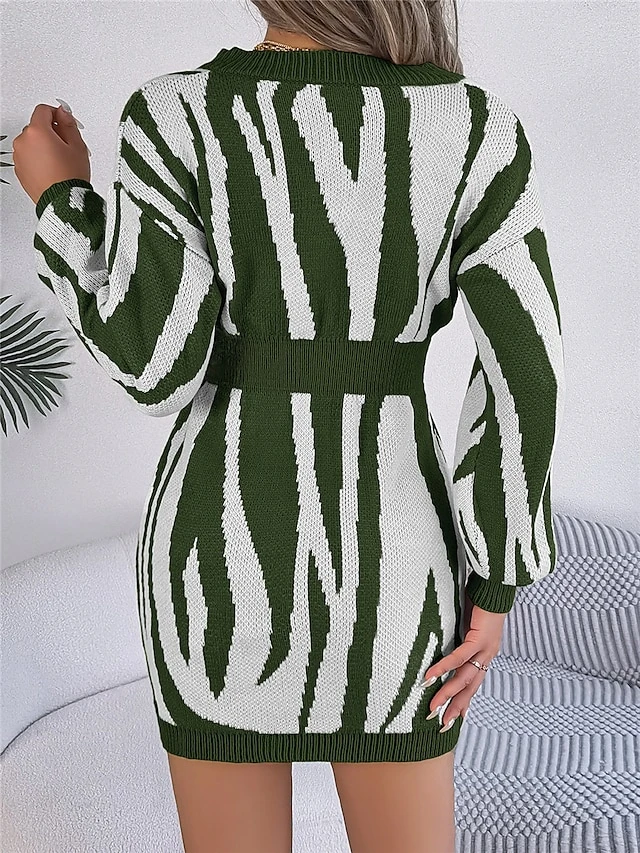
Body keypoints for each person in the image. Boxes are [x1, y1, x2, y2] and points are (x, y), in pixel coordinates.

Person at [12, 0, 565, 850]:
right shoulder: (471, 126)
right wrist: (495, 583)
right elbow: (525, 369)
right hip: (393, 561)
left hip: (214, 559)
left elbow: (157, 365)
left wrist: (62, 198)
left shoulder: (175, 112)